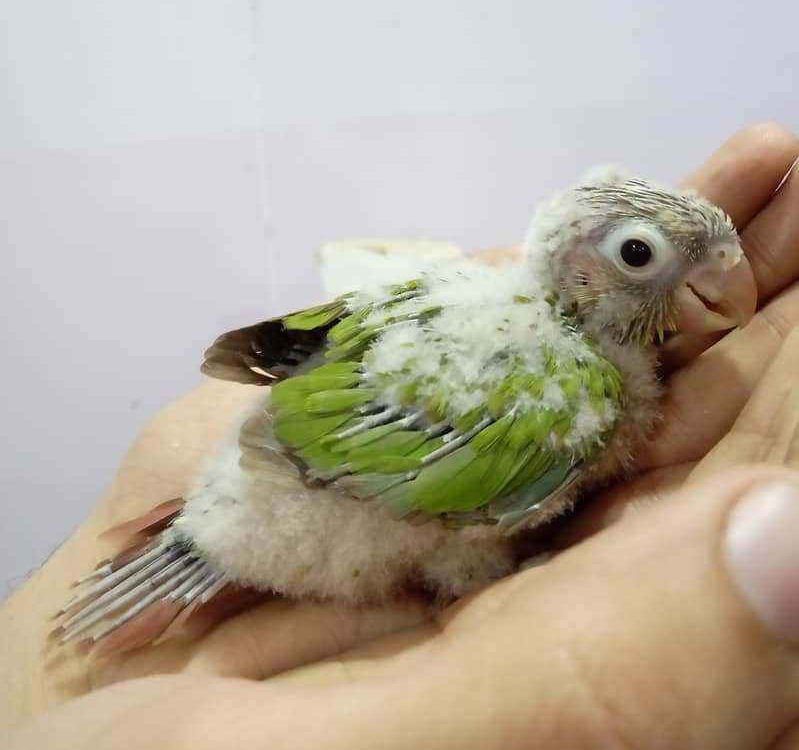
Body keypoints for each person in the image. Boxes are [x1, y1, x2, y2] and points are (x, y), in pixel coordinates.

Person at [2, 123, 799, 749]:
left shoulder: (492, 305)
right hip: (292, 492)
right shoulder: (566, 391)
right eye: (638, 256)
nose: (714, 284)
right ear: (571, 262)